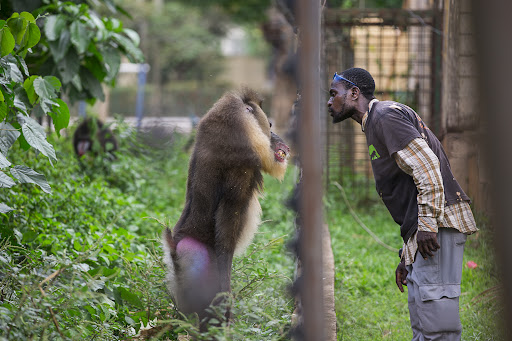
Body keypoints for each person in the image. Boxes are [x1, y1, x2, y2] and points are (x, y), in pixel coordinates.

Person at [327, 67, 478, 340]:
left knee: (438, 329)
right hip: (425, 233)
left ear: (353, 92)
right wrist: (409, 256)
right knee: (423, 327)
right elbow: (412, 187)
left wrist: (428, 227)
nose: (329, 101)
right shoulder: (375, 122)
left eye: (333, 94)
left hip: (438, 227)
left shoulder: (384, 116)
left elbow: (427, 168)